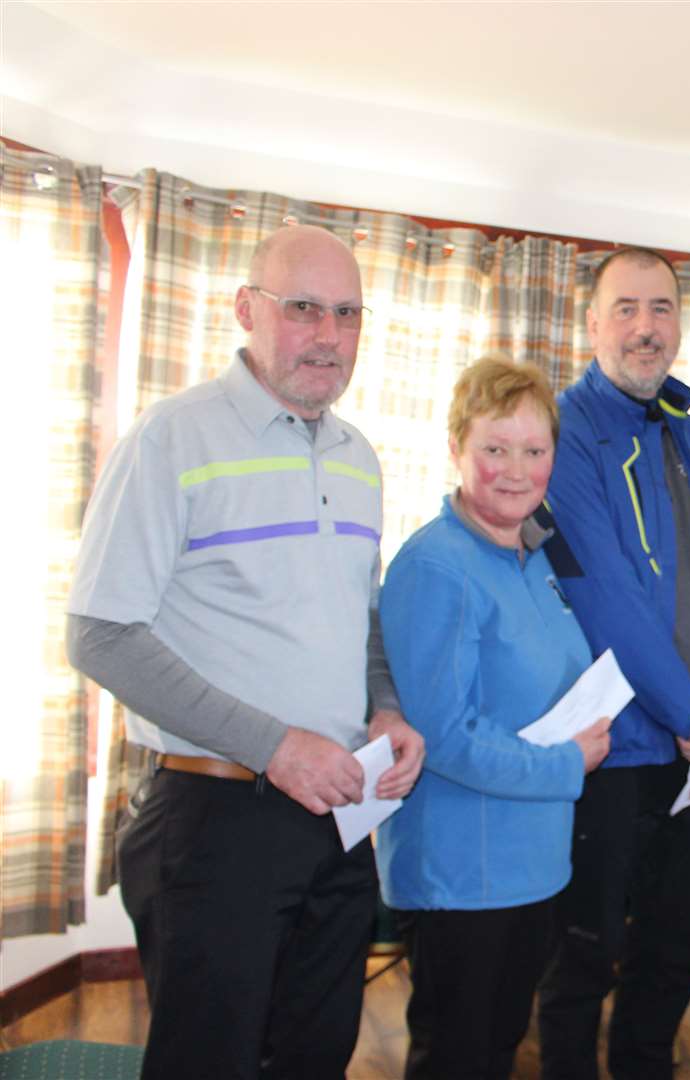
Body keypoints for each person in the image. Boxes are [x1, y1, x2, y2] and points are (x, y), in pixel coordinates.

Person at [65, 224, 426, 1079]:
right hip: (212, 817)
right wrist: (275, 745)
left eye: (347, 314)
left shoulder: (361, 457)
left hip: (337, 814)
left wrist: (387, 706)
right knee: (210, 1062)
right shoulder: (173, 438)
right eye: (303, 309)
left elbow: (360, 617)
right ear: (246, 311)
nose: (328, 336)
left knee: (314, 1054)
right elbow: (100, 634)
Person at [538, 247, 690, 1078]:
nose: (645, 327)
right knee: (583, 956)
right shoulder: (564, 430)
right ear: (592, 323)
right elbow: (602, 596)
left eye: (661, 308)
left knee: (676, 946)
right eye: (625, 308)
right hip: (616, 748)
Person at [376, 356, 613, 1079]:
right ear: (456, 450)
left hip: (535, 861)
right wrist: (569, 763)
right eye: (494, 449)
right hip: (462, 872)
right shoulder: (435, 566)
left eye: (534, 451)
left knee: (500, 1047)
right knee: (456, 1058)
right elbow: (444, 737)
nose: (516, 470)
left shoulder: (538, 549)